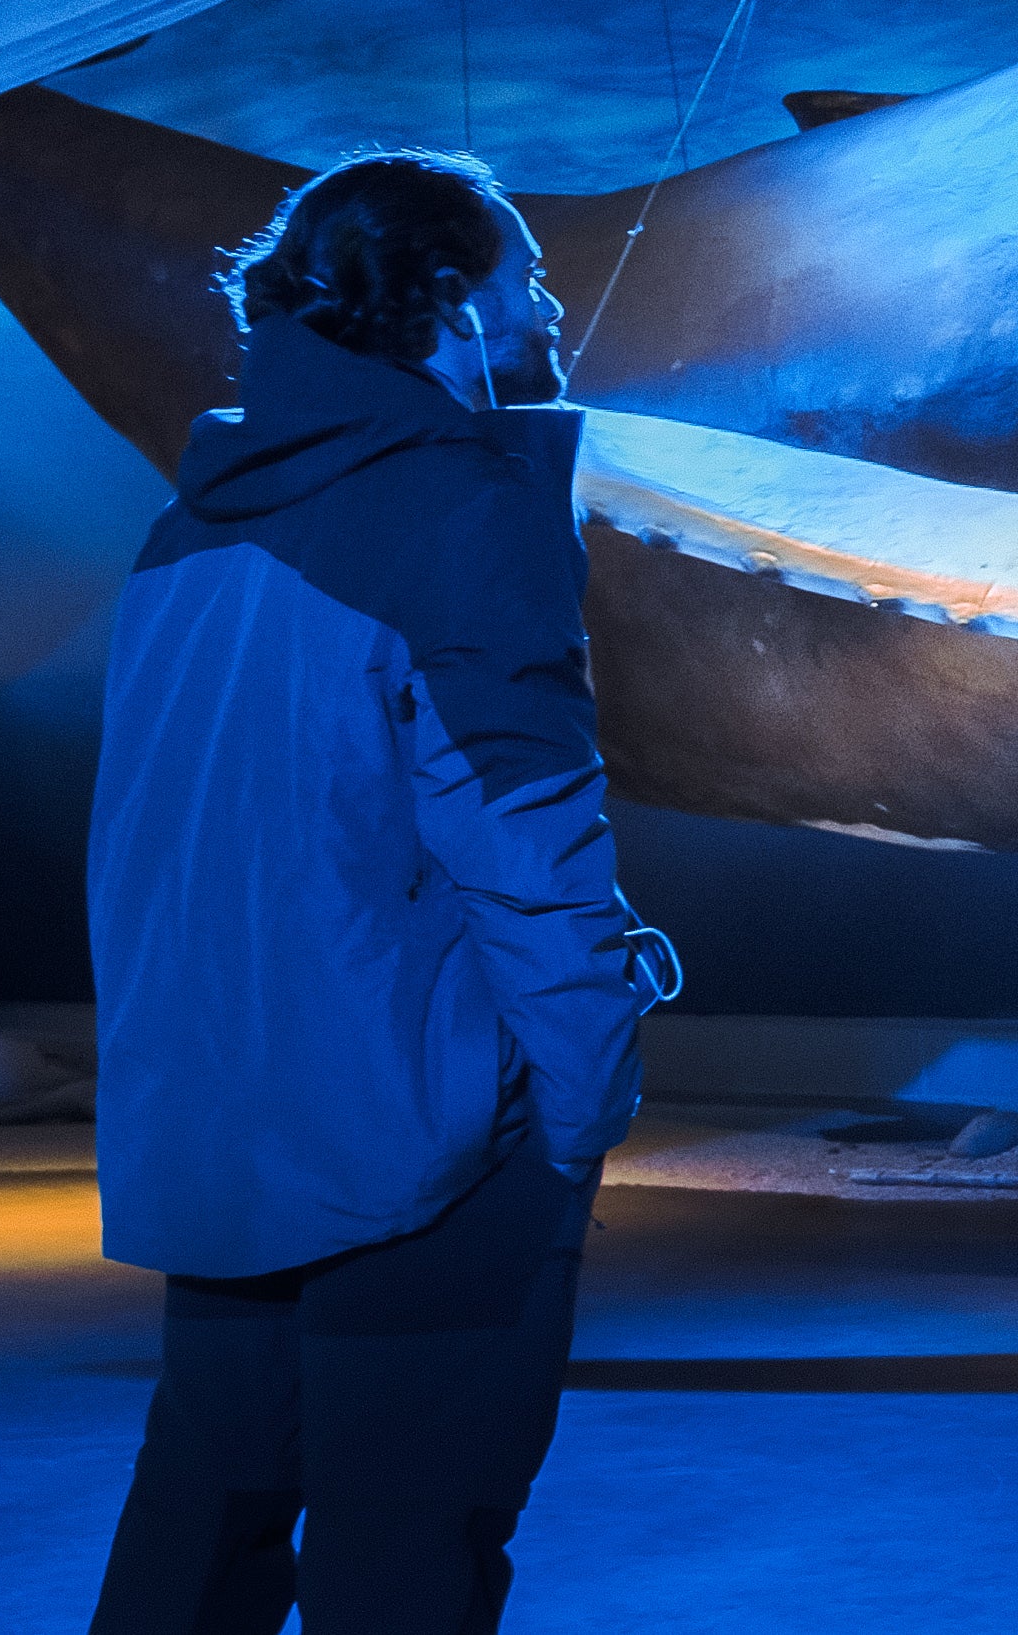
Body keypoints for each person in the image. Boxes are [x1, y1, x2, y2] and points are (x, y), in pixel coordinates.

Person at [88, 151, 650, 1632]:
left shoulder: (188, 525)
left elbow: (159, 846)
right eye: (530, 275)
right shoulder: (463, 508)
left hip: (225, 1117)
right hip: (434, 1135)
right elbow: (521, 829)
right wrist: (584, 1093)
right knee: (407, 1547)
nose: (550, 311)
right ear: (454, 304)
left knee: (198, 1528)